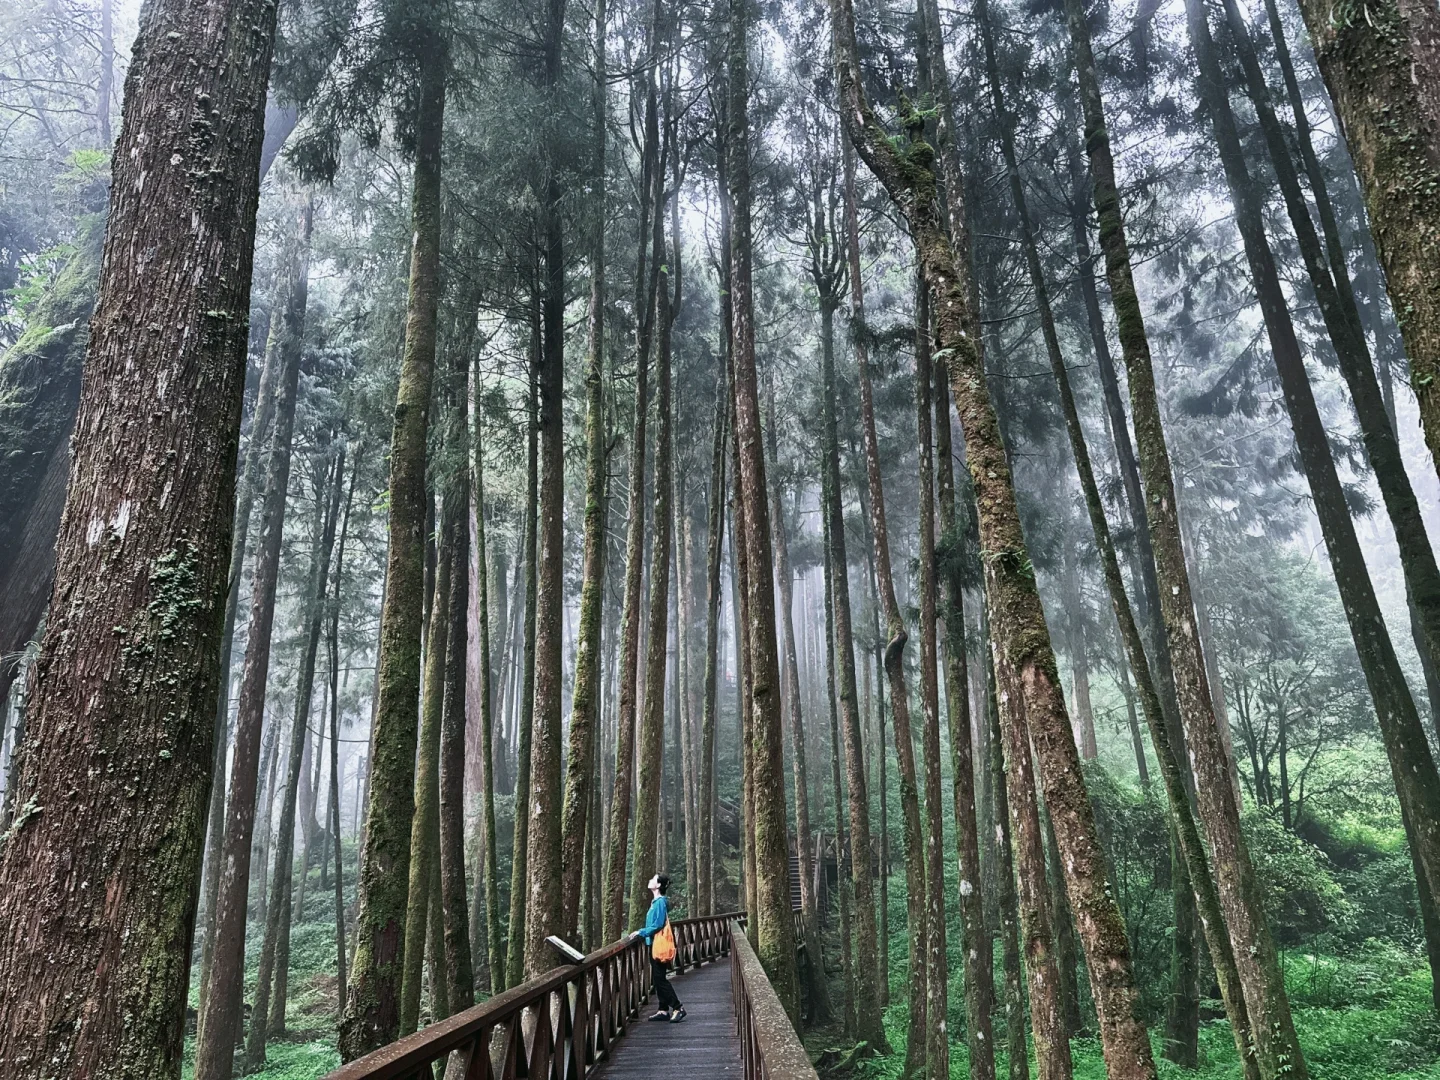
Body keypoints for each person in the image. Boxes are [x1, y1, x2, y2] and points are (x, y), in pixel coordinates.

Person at [631, 873, 686, 1022]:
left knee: (660, 979)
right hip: (654, 944)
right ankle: (663, 1010)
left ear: (659, 885)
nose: (649, 880)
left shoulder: (660, 902)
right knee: (658, 978)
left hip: (658, 945)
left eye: (653, 879)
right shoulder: (655, 901)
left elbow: (658, 924)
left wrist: (641, 932)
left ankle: (677, 1007)